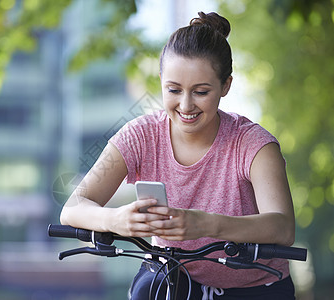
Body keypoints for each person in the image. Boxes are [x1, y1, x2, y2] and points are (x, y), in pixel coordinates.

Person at [60, 11, 296, 299]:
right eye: (173, 89)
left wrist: (205, 224)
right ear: (161, 80)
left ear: (226, 85)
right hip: (177, 279)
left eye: (201, 92)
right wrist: (116, 220)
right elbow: (72, 208)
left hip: (257, 286)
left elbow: (282, 227)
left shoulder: (253, 143)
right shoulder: (139, 136)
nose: (186, 105)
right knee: (146, 290)